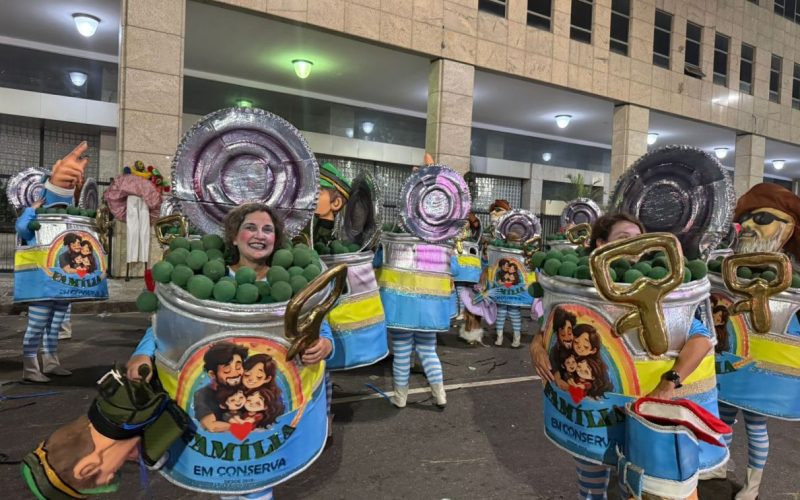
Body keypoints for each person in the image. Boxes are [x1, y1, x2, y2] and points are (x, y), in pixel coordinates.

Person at [127, 202, 335, 500]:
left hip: (266, 416)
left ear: (276, 239)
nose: (259, 235)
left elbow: (319, 324)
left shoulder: (290, 282)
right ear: (234, 237)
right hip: (221, 417)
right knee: (226, 482)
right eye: (250, 228)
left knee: (257, 484)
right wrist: (142, 352)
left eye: (268, 230)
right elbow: (170, 324)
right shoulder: (207, 279)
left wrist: (325, 344)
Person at [530, 212, 718, 499]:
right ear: (600, 244)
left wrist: (669, 383)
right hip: (590, 416)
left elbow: (701, 338)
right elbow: (550, 323)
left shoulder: (660, 285)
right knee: (590, 482)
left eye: (639, 239)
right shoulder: (579, 286)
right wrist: (536, 345)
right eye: (623, 238)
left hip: (640, 415)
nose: (634, 245)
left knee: (633, 483)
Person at [710, 182, 800, 499]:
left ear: (790, 227)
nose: (749, 225)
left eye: (762, 218)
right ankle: (719, 470)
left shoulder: (793, 278)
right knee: (722, 418)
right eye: (745, 218)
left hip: (763, 374)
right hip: (726, 363)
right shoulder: (723, 267)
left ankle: (752, 486)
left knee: (756, 424)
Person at [16, 142, 90, 382]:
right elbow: (22, 229)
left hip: (61, 283)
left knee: (56, 324)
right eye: (56, 205)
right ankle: (30, 368)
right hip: (40, 285)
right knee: (37, 324)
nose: (59, 209)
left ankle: (51, 362)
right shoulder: (36, 217)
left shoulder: (69, 219)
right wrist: (31, 211)